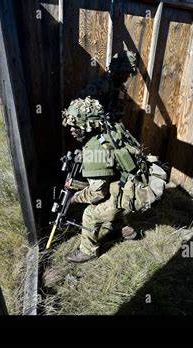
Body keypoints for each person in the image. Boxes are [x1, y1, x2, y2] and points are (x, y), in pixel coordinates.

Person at [61, 97, 167, 263]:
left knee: (90, 213)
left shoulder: (93, 148)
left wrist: (76, 198)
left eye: (76, 126)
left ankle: (88, 251)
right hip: (139, 181)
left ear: (88, 125)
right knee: (114, 195)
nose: (72, 130)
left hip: (136, 193)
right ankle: (125, 230)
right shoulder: (112, 128)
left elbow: (97, 194)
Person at [77, 50, 137, 122]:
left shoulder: (120, 88)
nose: (128, 76)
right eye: (126, 72)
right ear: (117, 70)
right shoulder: (102, 85)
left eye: (129, 72)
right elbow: (78, 105)